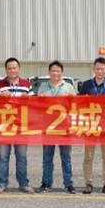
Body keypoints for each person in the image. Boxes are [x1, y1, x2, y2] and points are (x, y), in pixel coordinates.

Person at [0, 57, 34, 194]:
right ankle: (2, 183)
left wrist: (28, 99)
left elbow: (35, 104)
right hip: (4, 126)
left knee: (22, 157)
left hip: (21, 127)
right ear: (6, 70)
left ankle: (23, 183)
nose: (12, 70)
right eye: (9, 68)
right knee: (3, 157)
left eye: (14, 68)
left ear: (19, 69)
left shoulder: (27, 85)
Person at [37, 61, 77, 194]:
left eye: (58, 71)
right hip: (47, 127)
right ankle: (46, 183)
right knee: (47, 157)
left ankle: (68, 184)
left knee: (66, 158)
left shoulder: (68, 87)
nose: (55, 73)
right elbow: (37, 106)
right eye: (53, 71)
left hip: (64, 128)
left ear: (62, 72)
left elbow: (75, 106)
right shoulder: (43, 87)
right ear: (49, 72)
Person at [78, 56, 105, 194]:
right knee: (88, 157)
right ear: (94, 69)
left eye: (102, 69)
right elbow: (78, 103)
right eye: (98, 68)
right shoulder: (86, 85)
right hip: (90, 125)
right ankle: (88, 183)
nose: (100, 71)